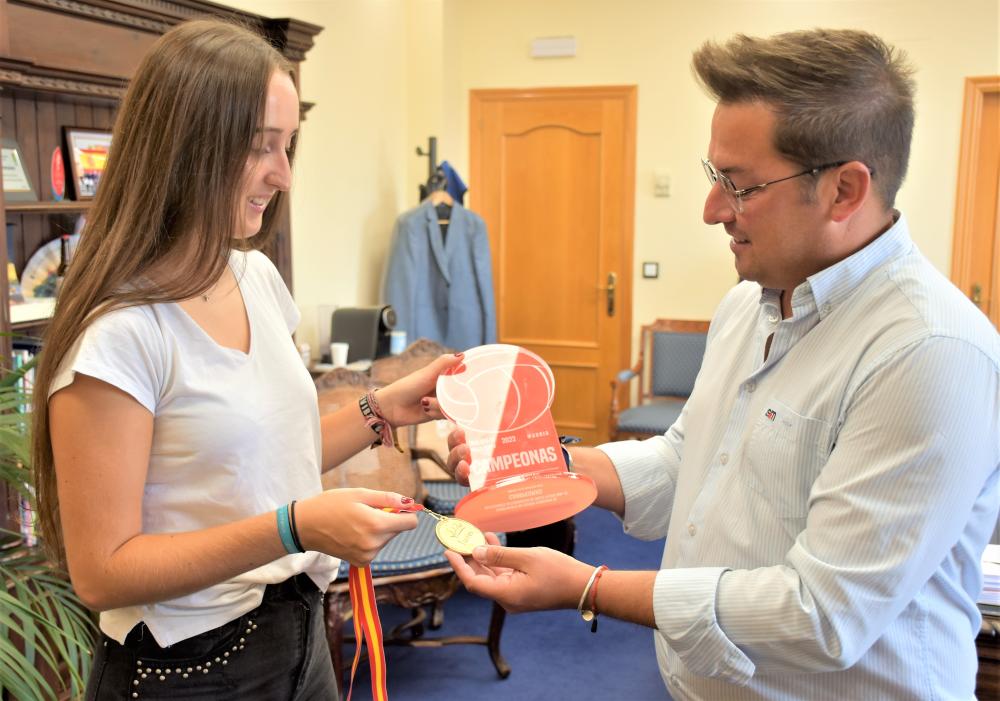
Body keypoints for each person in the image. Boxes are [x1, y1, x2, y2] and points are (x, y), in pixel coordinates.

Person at [444, 28, 1000, 700]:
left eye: (738, 185)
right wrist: (544, 465)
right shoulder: (747, 306)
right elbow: (690, 461)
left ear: (845, 191)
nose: (712, 210)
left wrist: (589, 586)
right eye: (716, 176)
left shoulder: (928, 352)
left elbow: (822, 612)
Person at [30, 19, 456, 700]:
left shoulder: (255, 279)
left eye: (287, 147)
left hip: (296, 635)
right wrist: (294, 526)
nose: (282, 174)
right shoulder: (119, 334)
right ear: (187, 148)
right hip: (186, 670)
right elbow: (102, 569)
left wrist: (383, 409)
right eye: (262, 148)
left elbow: (270, 457)